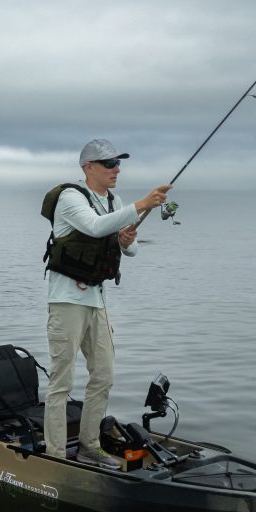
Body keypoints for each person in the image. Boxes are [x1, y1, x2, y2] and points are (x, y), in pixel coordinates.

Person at [43, 138, 171, 467]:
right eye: (109, 164)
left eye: (118, 163)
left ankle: (90, 446)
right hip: (66, 301)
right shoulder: (71, 197)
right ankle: (55, 455)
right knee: (62, 381)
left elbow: (131, 249)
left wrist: (126, 239)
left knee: (103, 375)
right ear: (88, 167)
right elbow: (95, 226)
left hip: (97, 301)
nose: (117, 169)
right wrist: (143, 204)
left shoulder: (115, 201)